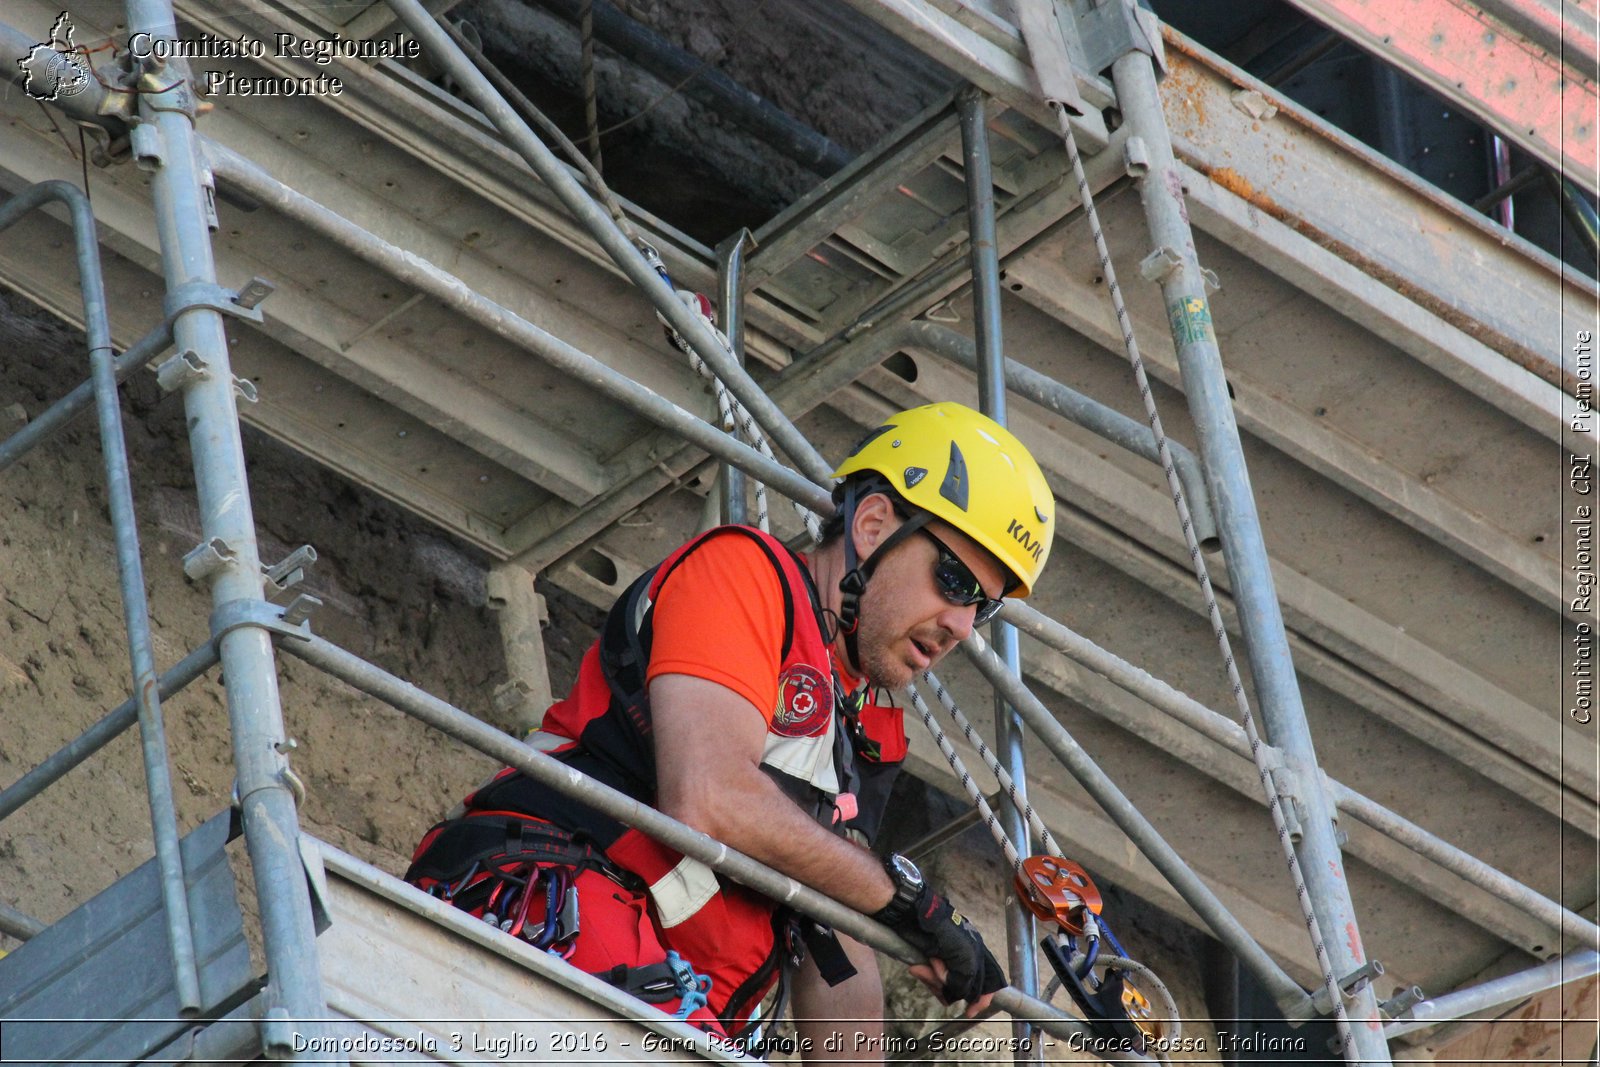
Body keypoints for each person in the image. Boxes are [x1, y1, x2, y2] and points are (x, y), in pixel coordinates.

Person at [405, 401, 1055, 1057]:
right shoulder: (745, 573)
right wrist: (902, 898)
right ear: (872, 523)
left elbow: (835, 939)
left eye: (983, 603)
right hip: (552, 906)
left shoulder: (867, 730)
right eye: (953, 579)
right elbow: (709, 796)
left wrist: (897, 908)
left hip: (677, 997)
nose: (962, 624)